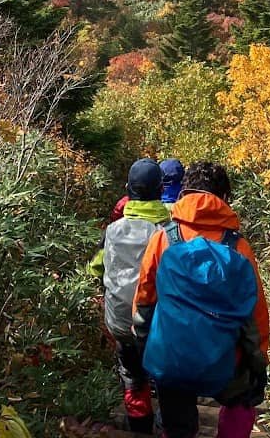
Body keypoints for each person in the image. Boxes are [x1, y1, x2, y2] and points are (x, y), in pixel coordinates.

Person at [133, 162, 269, 438]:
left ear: (184, 194)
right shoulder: (239, 247)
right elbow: (254, 313)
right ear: (224, 198)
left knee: (177, 425)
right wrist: (259, 360)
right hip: (225, 358)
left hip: (172, 355)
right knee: (241, 401)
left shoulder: (163, 239)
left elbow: (145, 298)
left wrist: (143, 343)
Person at [90, 158, 170, 434]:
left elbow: (95, 268)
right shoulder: (168, 232)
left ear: (128, 190)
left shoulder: (112, 231)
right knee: (166, 377)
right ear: (160, 190)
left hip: (120, 322)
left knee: (132, 376)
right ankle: (167, 422)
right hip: (158, 325)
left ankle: (139, 428)